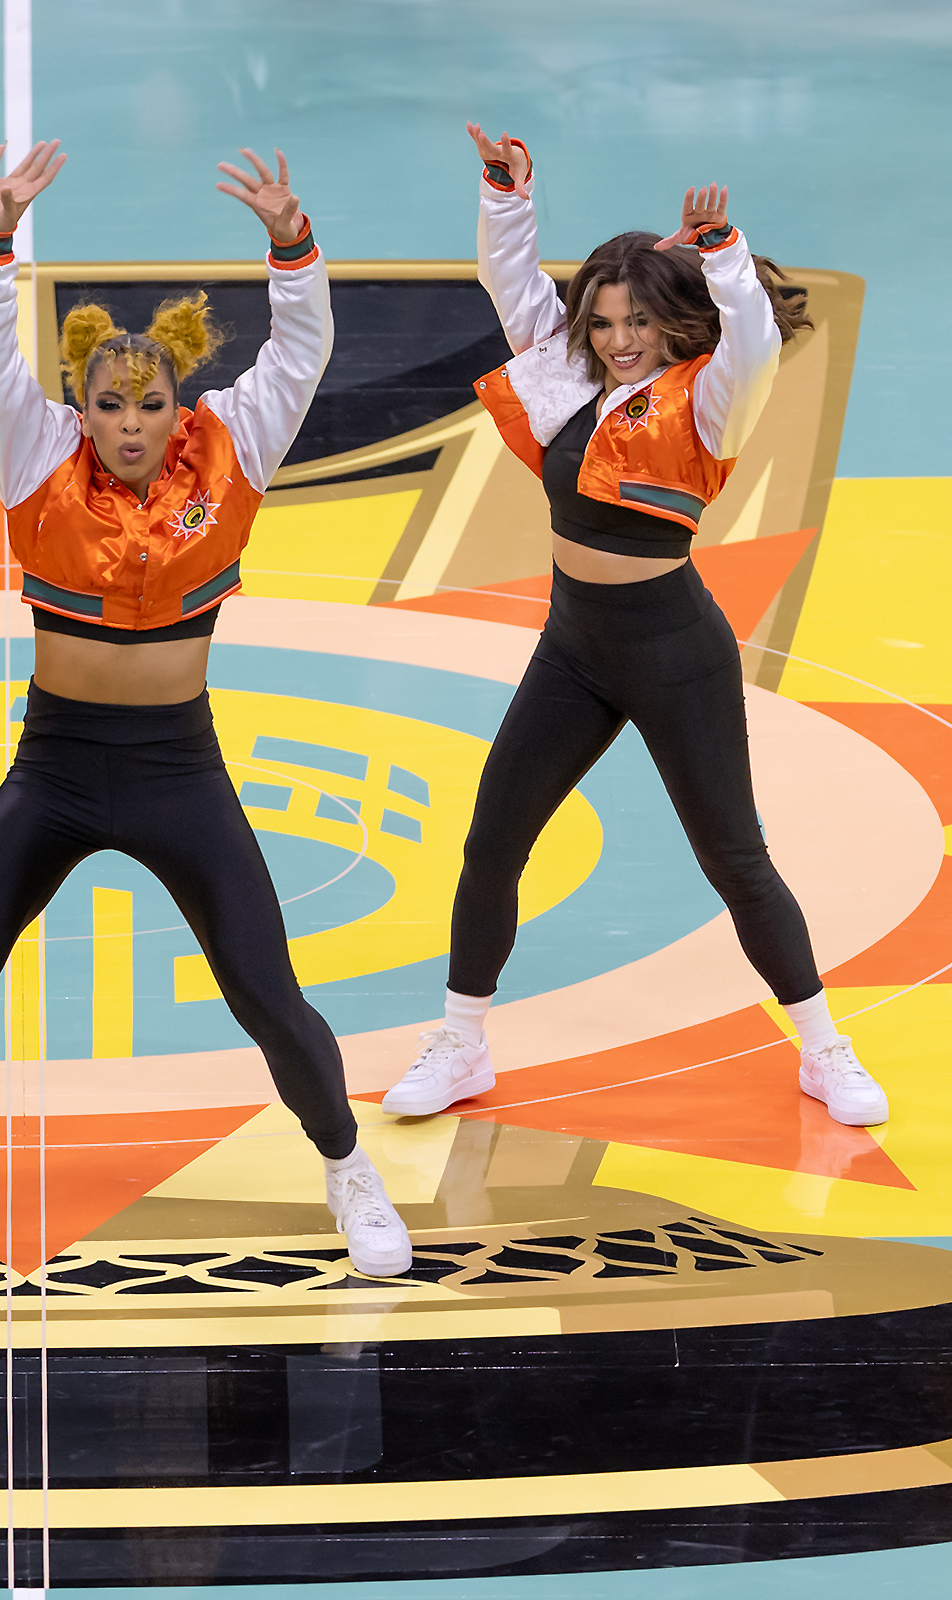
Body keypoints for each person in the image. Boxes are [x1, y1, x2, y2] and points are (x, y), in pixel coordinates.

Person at [0, 142, 414, 1280]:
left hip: (176, 770)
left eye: (150, 405)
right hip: (54, 768)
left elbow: (303, 350)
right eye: (110, 405)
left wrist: (291, 244)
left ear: (178, 402)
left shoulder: (236, 448)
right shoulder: (34, 453)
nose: (132, 424)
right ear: (81, 407)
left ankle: (350, 1171)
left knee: (267, 995)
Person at [381, 127, 883, 1127]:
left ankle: (826, 1048)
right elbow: (508, 281)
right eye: (605, 321)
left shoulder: (712, 400)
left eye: (639, 322)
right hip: (574, 647)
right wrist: (506, 194)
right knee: (492, 841)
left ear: (673, 321)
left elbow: (753, 340)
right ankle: (461, 1044)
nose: (618, 339)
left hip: (673, 652)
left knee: (735, 858)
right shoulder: (567, 375)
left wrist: (725, 251)